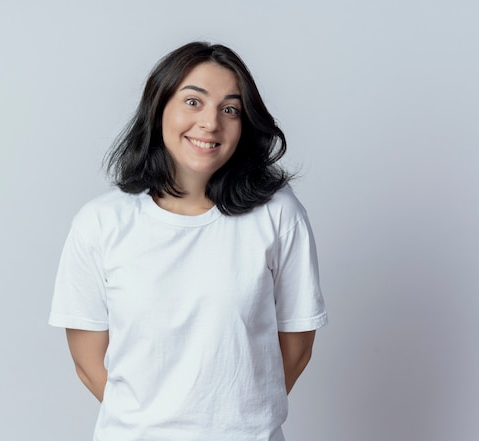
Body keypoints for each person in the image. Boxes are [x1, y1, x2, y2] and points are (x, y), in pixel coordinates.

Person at [49, 41, 328, 441]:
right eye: (193, 102)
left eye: (229, 109)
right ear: (159, 107)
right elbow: (87, 361)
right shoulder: (101, 222)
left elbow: (298, 345)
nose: (210, 123)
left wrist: (238, 420)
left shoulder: (278, 214)